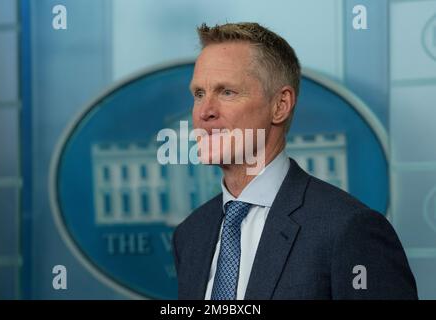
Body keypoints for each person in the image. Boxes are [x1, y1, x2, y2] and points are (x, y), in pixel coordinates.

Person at [172, 22, 417, 300]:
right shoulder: (190, 235)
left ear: (280, 106)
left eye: (227, 92)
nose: (205, 112)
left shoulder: (349, 229)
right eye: (199, 94)